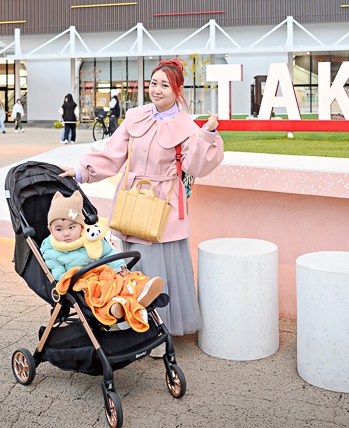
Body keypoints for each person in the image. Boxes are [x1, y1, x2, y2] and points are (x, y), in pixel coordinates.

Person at [60, 58, 223, 353]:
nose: (157, 89)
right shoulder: (135, 117)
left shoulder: (186, 126)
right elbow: (112, 155)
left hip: (163, 208)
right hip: (132, 202)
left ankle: (159, 333)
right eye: (153, 83)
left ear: (177, 90)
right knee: (132, 267)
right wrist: (82, 172)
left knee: (159, 270)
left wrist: (207, 134)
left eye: (164, 85)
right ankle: (132, 326)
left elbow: (194, 164)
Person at [40, 191, 164, 331]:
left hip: (105, 271)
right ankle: (114, 307)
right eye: (59, 229)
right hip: (85, 281)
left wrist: (119, 266)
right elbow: (60, 276)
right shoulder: (51, 251)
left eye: (71, 227)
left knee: (126, 277)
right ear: (50, 230)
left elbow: (108, 253)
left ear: (81, 227)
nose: (66, 233)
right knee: (99, 292)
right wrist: (73, 281)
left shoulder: (92, 237)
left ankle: (142, 288)